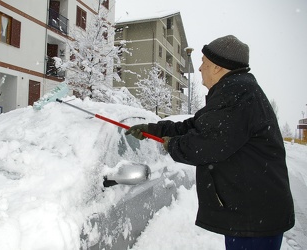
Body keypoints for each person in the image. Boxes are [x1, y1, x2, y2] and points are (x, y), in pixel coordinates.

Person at [125, 35, 295, 250]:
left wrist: (171, 144)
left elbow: (205, 144)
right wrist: (154, 129)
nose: (200, 68)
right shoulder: (236, 90)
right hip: (252, 211)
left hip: (253, 216)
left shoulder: (237, 94)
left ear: (217, 67)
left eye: (204, 63)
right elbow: (195, 125)